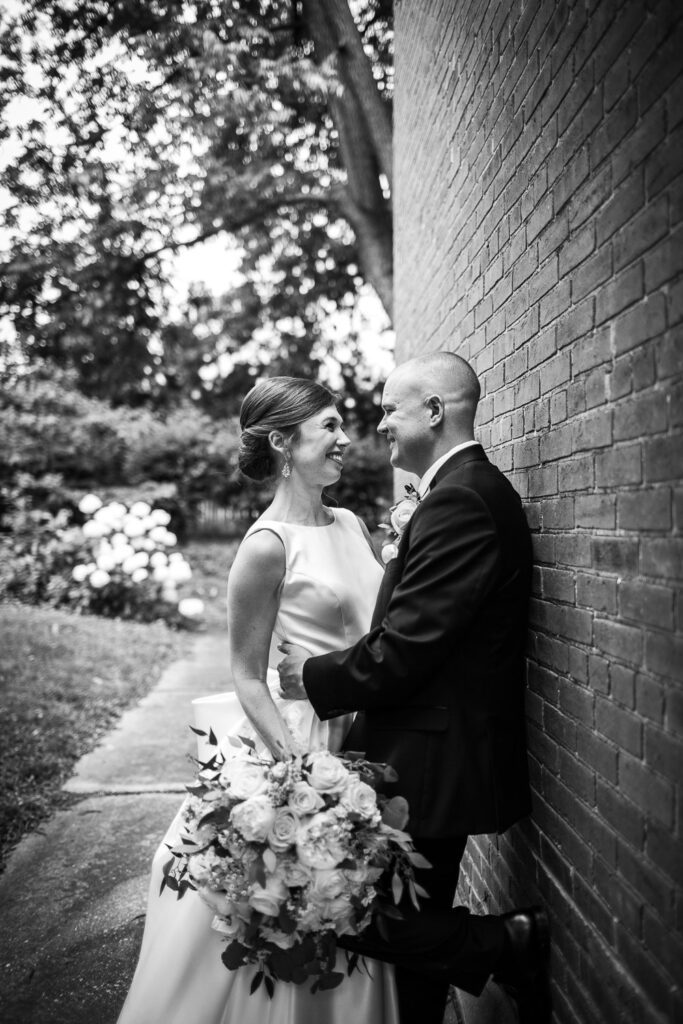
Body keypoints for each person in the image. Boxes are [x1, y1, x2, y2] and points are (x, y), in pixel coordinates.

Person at [278, 351, 550, 1024]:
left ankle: (507, 941)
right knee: (409, 932)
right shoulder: (455, 493)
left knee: (348, 910)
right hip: (428, 749)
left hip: (434, 757)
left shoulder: (461, 499)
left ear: (434, 410)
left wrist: (307, 678)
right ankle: (489, 953)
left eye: (391, 410)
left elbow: (403, 650)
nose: (381, 426)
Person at [116, 377, 400, 1024]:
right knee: (292, 910)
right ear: (282, 440)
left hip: (369, 732)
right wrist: (301, 773)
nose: (344, 439)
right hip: (301, 742)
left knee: (352, 904)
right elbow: (246, 675)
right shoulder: (265, 547)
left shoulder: (352, 523)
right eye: (327, 426)